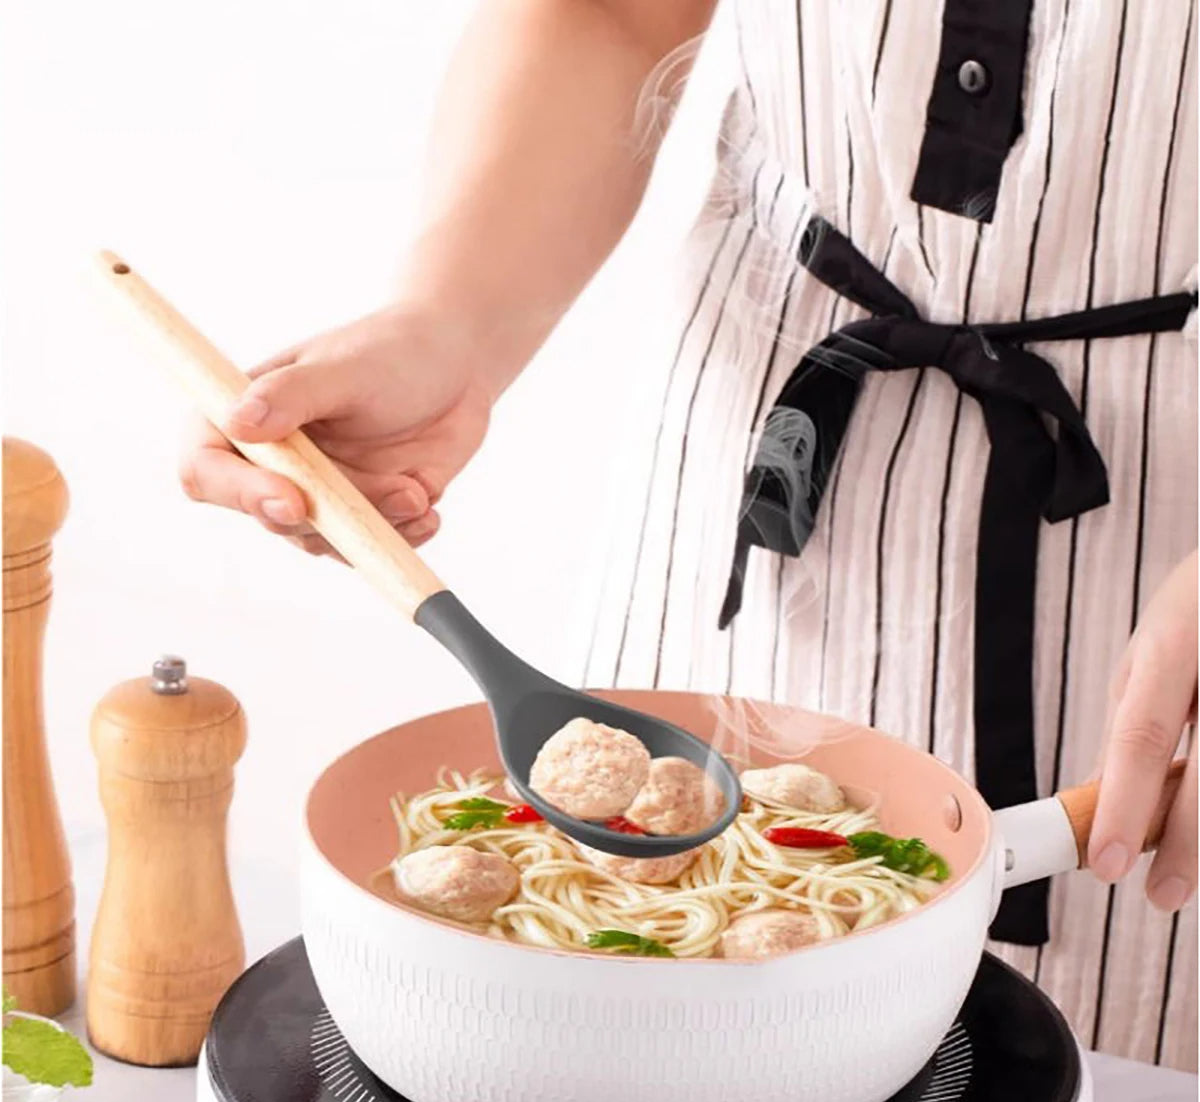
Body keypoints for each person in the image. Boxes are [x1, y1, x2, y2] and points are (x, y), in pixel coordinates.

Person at [179, 4, 1195, 968]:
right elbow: (614, 8)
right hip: (763, 441)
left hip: (1162, 534)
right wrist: (452, 320)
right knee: (636, 1015)